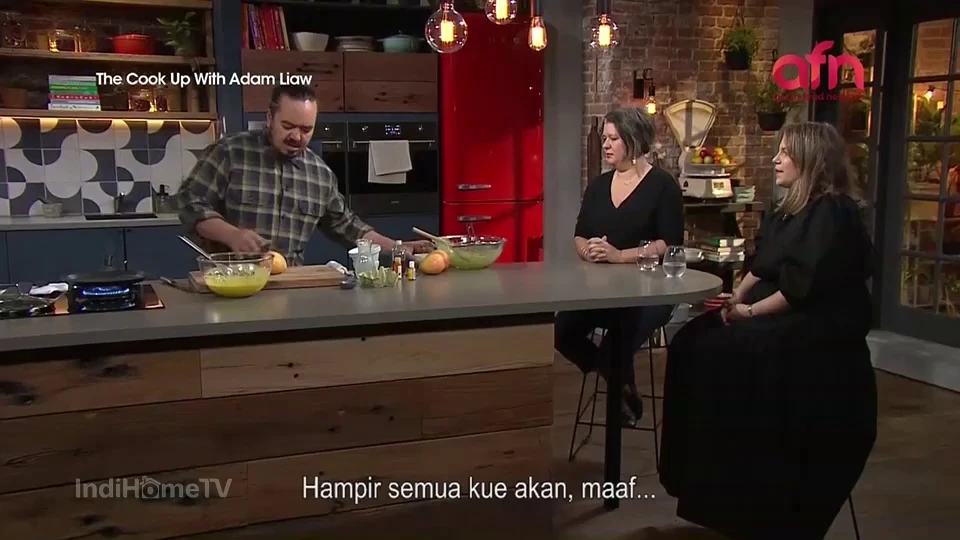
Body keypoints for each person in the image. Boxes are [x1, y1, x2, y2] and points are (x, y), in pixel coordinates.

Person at [658, 122, 878, 540]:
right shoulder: (787, 209)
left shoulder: (833, 212)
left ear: (811, 161)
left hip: (816, 324)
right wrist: (734, 300)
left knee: (737, 354)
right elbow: (762, 266)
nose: (776, 159)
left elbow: (799, 289)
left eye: (785, 153)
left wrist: (749, 313)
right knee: (691, 340)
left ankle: (747, 490)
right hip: (775, 311)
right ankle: (699, 482)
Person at [177, 84, 431, 265]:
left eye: (306, 129)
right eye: (288, 126)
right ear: (270, 117)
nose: (297, 136)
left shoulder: (319, 174)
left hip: (289, 285)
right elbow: (189, 203)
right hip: (228, 281)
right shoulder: (230, 152)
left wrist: (397, 247)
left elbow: (349, 227)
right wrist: (232, 235)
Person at [554, 107, 684, 426]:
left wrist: (618, 255)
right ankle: (615, 379)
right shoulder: (598, 186)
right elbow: (580, 234)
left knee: (618, 341)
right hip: (603, 290)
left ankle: (617, 386)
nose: (606, 145)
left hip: (649, 292)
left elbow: (669, 244)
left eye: (613, 139)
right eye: (605, 138)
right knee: (562, 331)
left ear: (633, 140)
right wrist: (589, 251)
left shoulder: (663, 186)